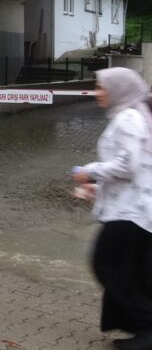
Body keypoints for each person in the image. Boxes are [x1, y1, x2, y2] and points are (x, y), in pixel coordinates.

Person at [73, 67, 152, 350]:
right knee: (133, 272)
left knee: (107, 265)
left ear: (119, 89)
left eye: (102, 87)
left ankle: (145, 330)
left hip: (131, 213)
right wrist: (97, 189)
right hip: (134, 209)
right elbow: (138, 169)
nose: (97, 93)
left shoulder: (128, 118)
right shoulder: (132, 116)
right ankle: (143, 332)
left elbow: (128, 165)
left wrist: (89, 171)